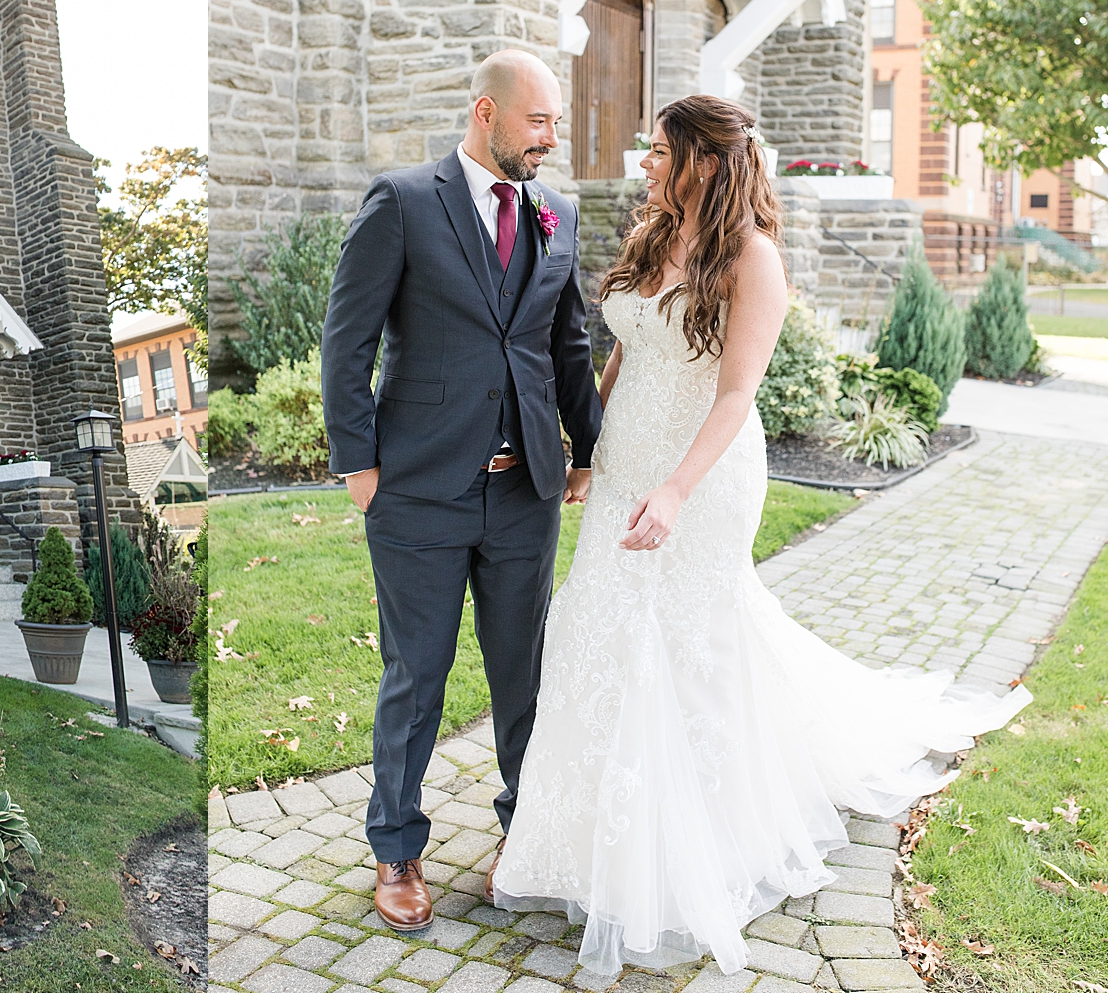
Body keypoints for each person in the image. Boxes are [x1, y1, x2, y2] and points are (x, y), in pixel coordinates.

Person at [489, 94, 1029, 976]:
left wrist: (672, 491)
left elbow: (736, 397)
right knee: (601, 631)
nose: (647, 165)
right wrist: (592, 453)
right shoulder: (649, 237)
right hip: (628, 459)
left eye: (660, 152)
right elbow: (618, 354)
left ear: (703, 160)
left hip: (700, 476)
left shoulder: (754, 260)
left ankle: (695, 845)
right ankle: (588, 838)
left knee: (694, 648)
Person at [321, 49, 603, 933]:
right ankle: (397, 849)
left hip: (525, 494)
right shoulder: (402, 202)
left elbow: (567, 346)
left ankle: (524, 835)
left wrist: (587, 447)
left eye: (555, 123)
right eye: (539, 122)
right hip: (418, 494)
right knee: (418, 677)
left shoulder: (556, 216)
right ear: (488, 113)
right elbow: (346, 341)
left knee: (526, 676)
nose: (551, 140)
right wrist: (362, 470)